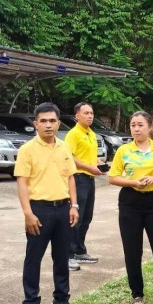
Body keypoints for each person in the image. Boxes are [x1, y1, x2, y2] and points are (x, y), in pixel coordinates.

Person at [14, 102, 79, 304]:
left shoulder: (64, 147)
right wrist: (27, 213)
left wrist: (74, 206)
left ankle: (61, 299)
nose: (48, 125)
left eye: (52, 121)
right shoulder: (27, 150)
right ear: (36, 124)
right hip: (38, 211)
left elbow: (70, 178)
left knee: (61, 257)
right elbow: (22, 183)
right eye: (43, 121)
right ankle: (31, 303)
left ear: (59, 123)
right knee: (33, 258)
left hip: (63, 209)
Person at [109, 111, 153, 304]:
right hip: (130, 202)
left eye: (140, 125)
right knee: (132, 249)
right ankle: (137, 293)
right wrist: (133, 182)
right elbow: (113, 177)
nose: (136, 129)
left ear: (150, 127)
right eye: (133, 125)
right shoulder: (124, 150)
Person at [65, 102, 106, 269]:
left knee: (87, 217)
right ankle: (68, 255)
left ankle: (80, 251)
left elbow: (90, 156)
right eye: (86, 113)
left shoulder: (92, 133)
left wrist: (99, 164)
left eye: (92, 113)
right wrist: (89, 167)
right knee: (76, 217)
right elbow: (70, 157)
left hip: (89, 179)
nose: (90, 116)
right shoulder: (73, 134)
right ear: (77, 116)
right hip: (78, 178)